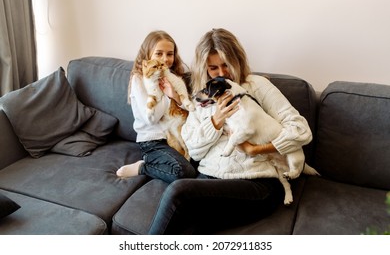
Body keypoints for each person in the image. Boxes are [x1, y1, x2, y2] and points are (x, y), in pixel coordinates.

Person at [147, 28, 313, 234]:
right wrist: (216, 121)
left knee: (178, 191)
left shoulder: (256, 85)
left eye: (227, 65)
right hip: (209, 179)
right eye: (213, 68)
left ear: (238, 61)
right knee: (187, 226)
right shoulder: (203, 98)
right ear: (205, 69)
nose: (222, 73)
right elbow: (195, 152)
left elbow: (301, 130)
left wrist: (256, 149)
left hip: (257, 182)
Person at [116, 30, 196, 183]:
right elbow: (151, 119)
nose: (165, 60)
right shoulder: (139, 80)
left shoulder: (173, 76)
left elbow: (189, 111)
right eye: (159, 54)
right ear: (148, 55)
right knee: (184, 172)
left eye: (169, 54)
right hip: (153, 140)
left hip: (175, 134)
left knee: (199, 162)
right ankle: (143, 167)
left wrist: (175, 95)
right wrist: (166, 95)